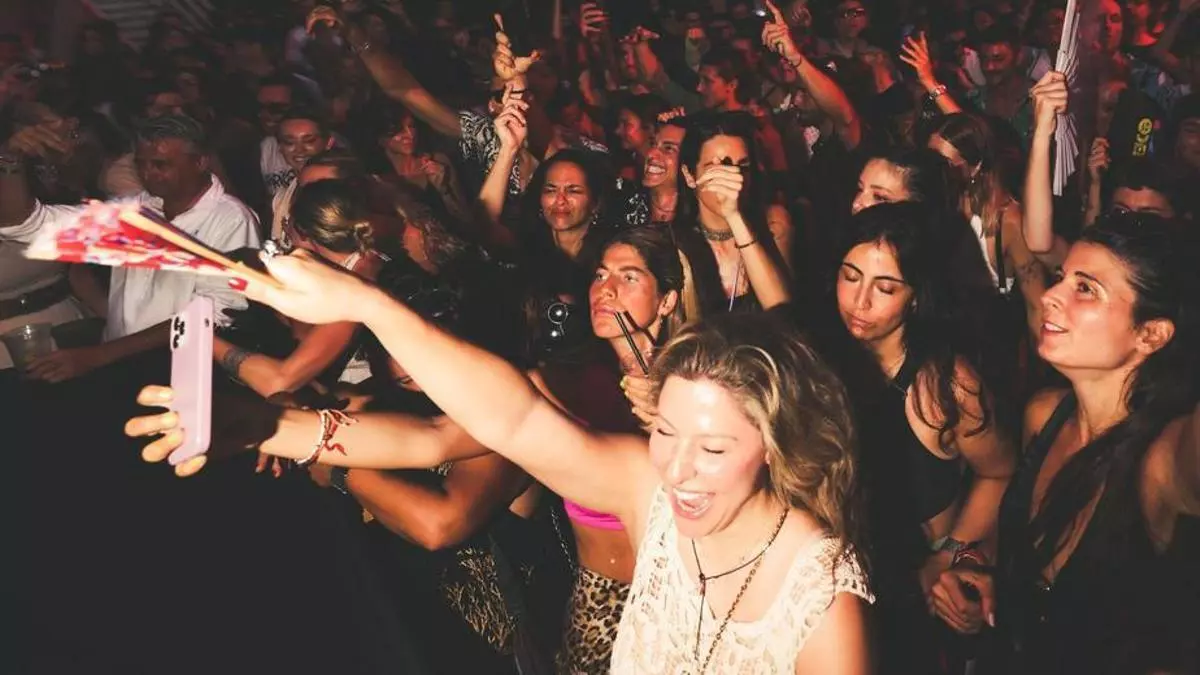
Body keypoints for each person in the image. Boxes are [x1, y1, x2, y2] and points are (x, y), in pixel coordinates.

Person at [129, 255, 874, 674]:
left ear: (778, 445)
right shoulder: (646, 484)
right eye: (666, 432)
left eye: (712, 449)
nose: (677, 469)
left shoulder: (819, 598)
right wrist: (264, 423)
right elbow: (510, 418)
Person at [931, 213, 1200, 675]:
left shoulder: (1162, 462)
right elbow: (1023, 542)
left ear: (1151, 334)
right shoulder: (1044, 415)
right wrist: (979, 567)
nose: (1051, 296)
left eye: (1086, 289)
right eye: (1061, 278)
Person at [831, 202, 1017, 672]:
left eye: (885, 287)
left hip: (907, 597)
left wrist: (951, 551)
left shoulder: (944, 385)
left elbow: (1000, 472)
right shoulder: (823, 358)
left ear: (916, 296)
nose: (859, 301)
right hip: (838, 581)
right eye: (850, 277)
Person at [0, 113, 260, 382]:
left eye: (160, 164)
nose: (148, 173)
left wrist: (100, 355)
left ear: (200, 162)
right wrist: (10, 160)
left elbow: (217, 315)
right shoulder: (136, 211)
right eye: (141, 164)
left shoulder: (230, 218)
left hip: (185, 374)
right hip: (123, 367)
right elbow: (25, 224)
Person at [216, 179, 388, 401]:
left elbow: (281, 382)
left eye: (288, 223)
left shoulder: (354, 290)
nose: (284, 230)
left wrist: (204, 339)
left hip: (369, 401)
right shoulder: (366, 259)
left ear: (304, 234)